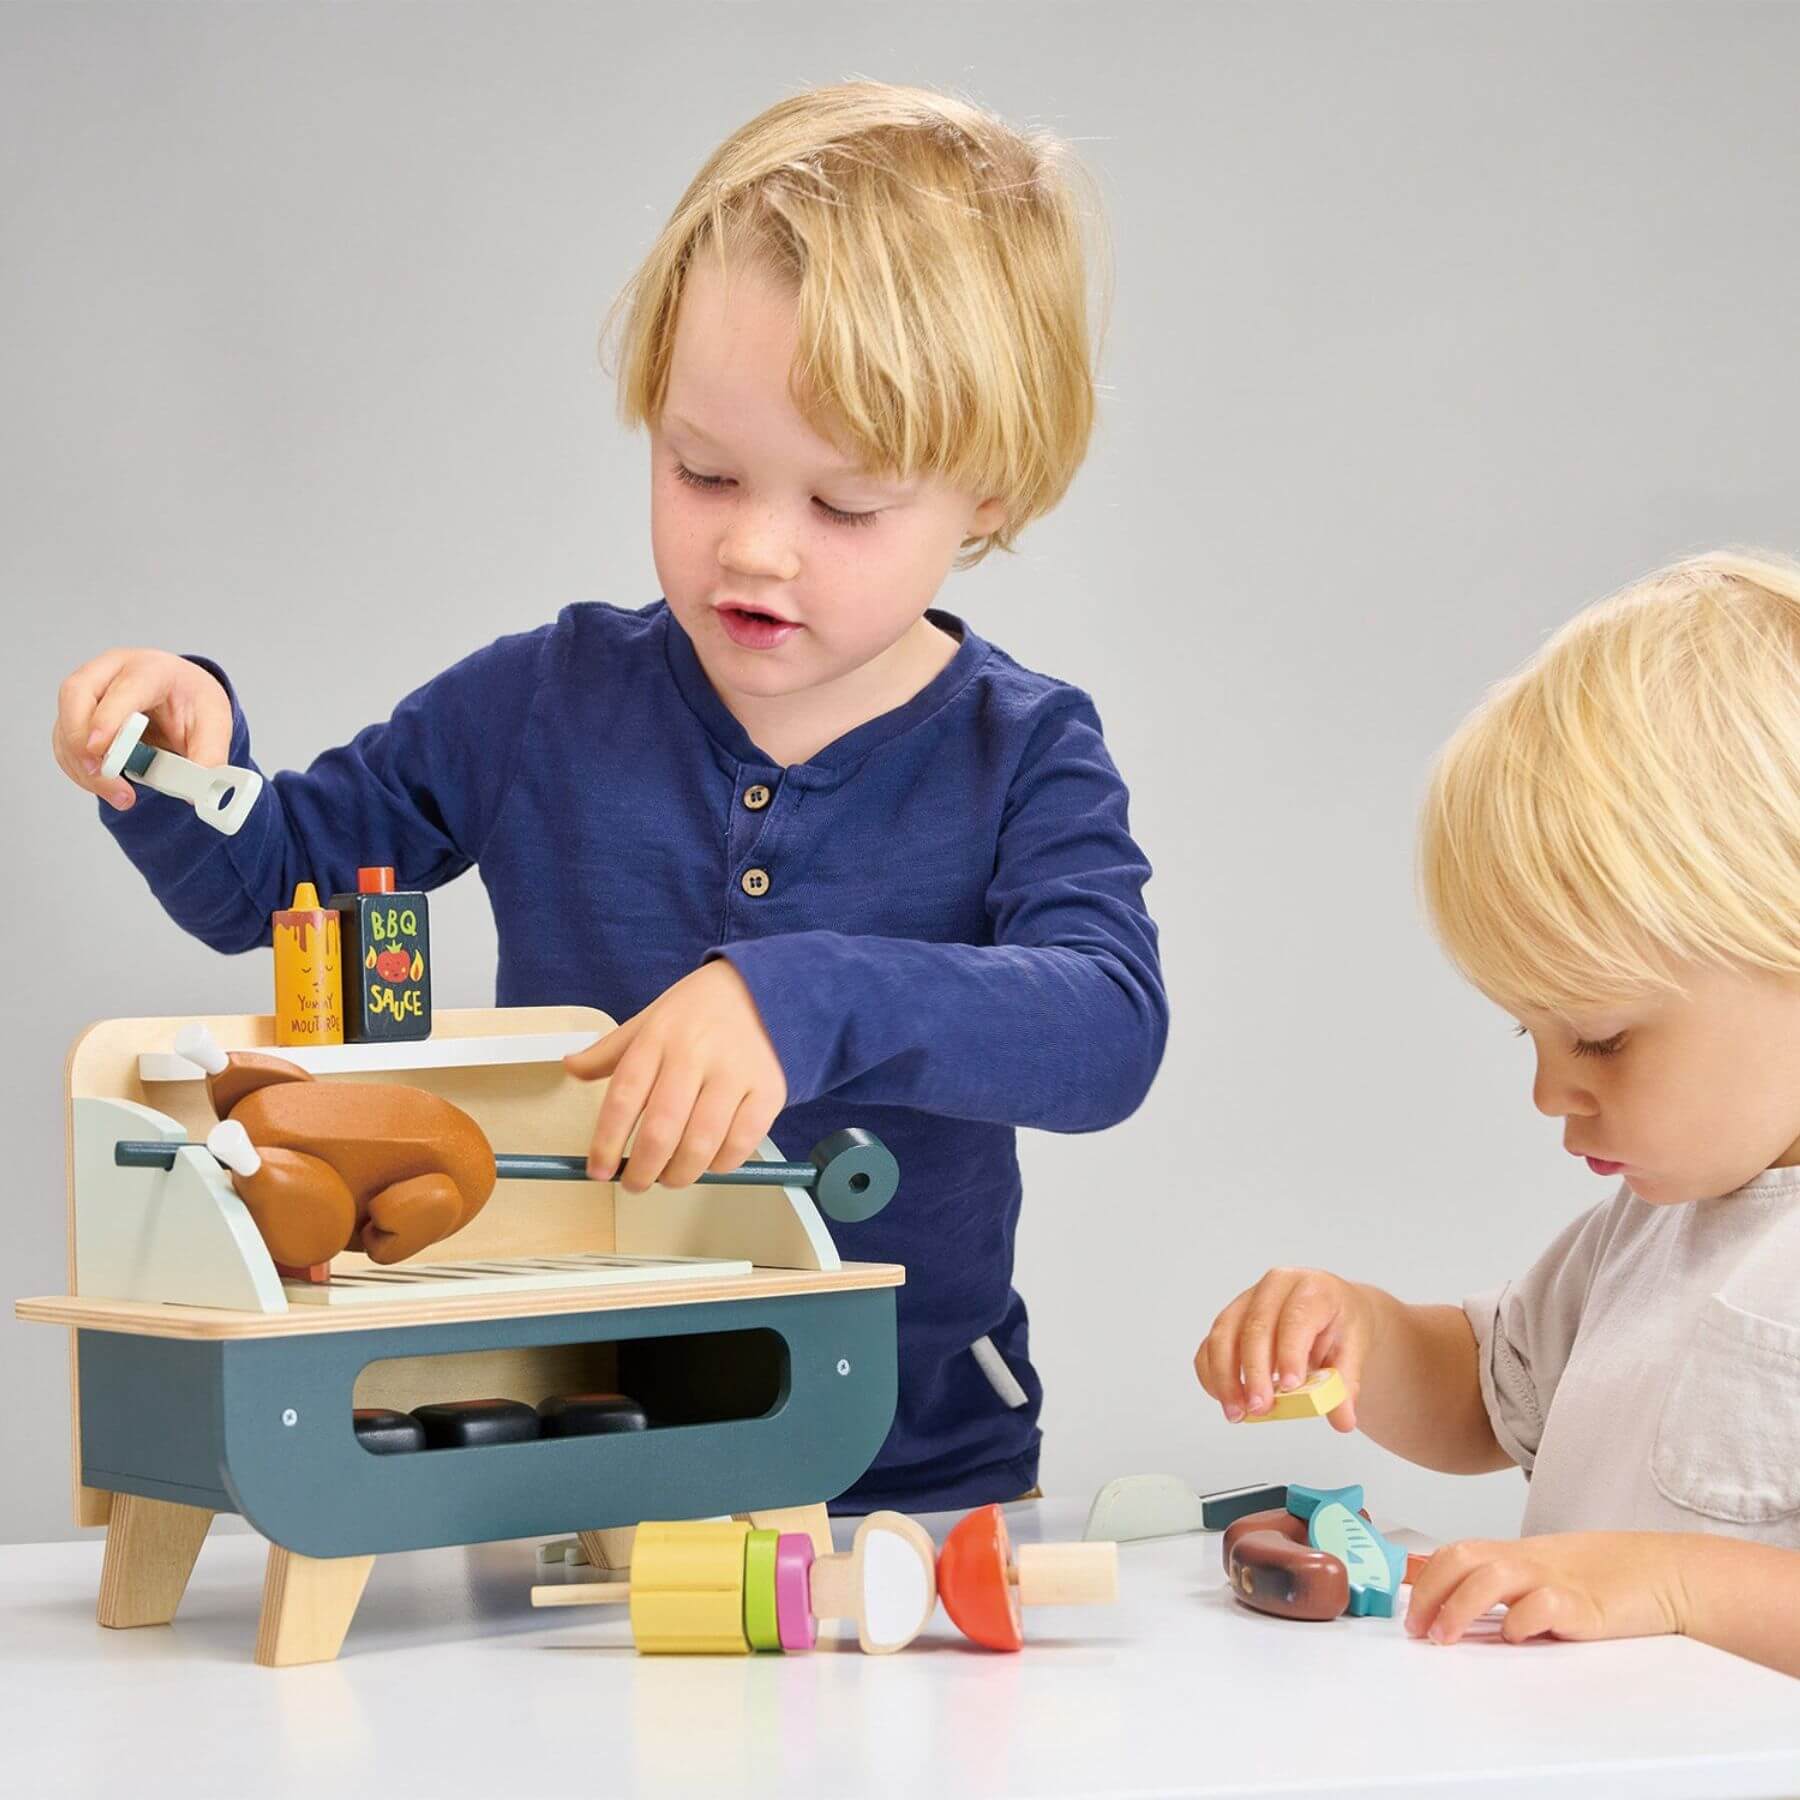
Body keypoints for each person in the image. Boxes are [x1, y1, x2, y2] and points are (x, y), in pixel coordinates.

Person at [51, 81, 1167, 1513]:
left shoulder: (1023, 751)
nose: (755, 549)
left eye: (845, 506)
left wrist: (801, 996)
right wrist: (179, 763)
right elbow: (276, 887)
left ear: (993, 493)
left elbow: (1107, 1031)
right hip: (564, 1447)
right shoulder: (539, 703)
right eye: (703, 470)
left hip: (914, 1465)